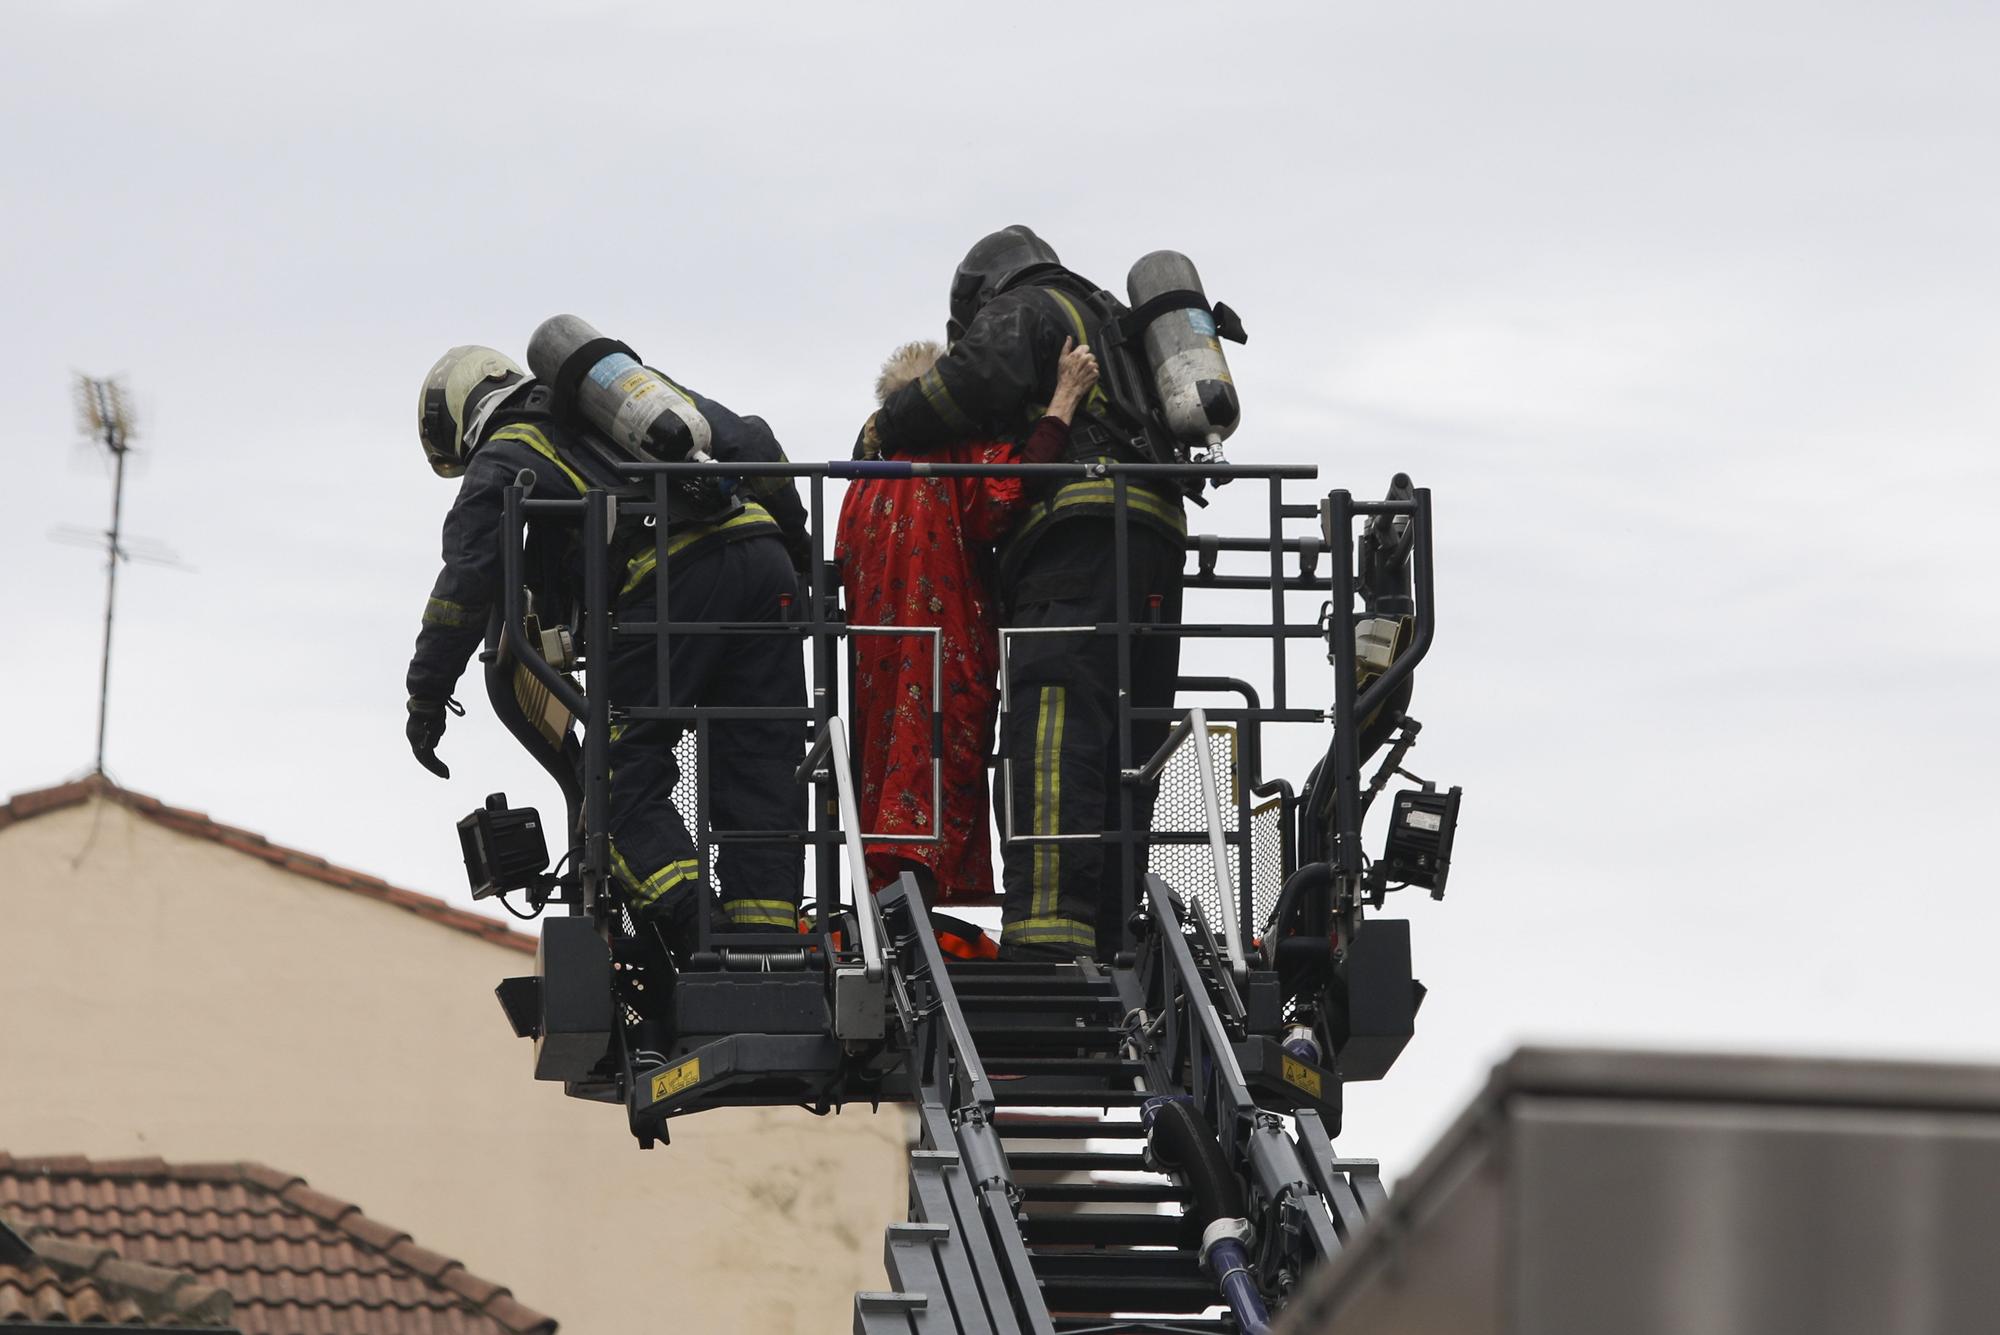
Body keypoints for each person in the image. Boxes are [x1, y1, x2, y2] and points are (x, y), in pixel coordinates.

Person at [863, 227, 1189, 961]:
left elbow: (972, 385)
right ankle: (1111, 930)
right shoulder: (1110, 322)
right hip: (1156, 537)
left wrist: (891, 421)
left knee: (1056, 727)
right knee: (1130, 741)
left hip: (1074, 536)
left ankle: (1049, 933)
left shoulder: (1030, 306)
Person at [406, 345, 809, 936]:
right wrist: (796, 549)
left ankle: (704, 936)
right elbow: (752, 442)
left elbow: (465, 582)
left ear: (462, 421)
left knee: (615, 787)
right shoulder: (636, 398)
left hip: (670, 587)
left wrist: (428, 692)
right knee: (761, 765)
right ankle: (770, 943)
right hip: (764, 560)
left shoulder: (505, 454)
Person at [836, 335, 1099, 906]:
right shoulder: (953, 454)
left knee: (886, 768)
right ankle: (914, 902)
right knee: (934, 762)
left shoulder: (861, 482)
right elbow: (1009, 492)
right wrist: (1062, 402)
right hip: (945, 652)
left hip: (873, 668)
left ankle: (886, 899)